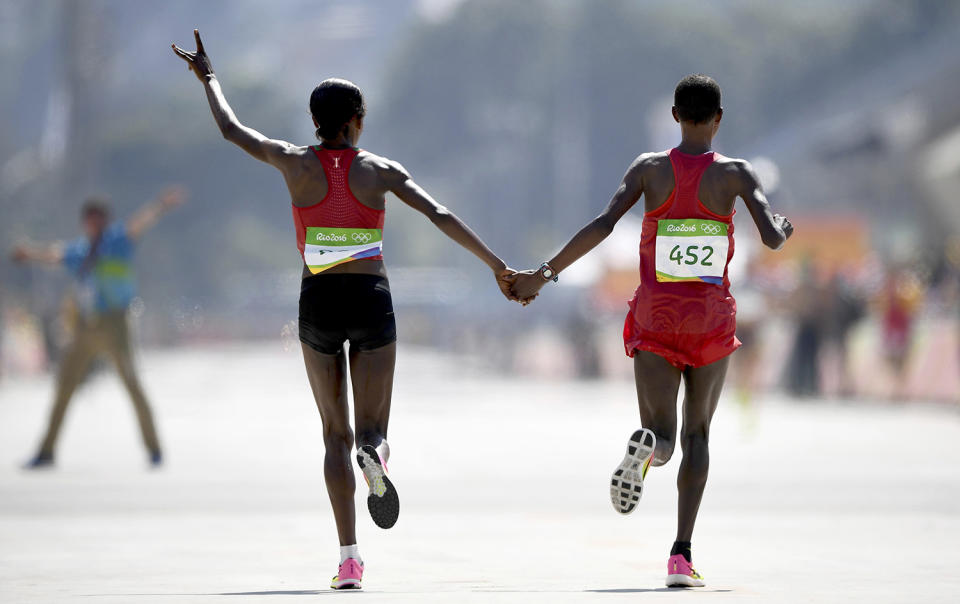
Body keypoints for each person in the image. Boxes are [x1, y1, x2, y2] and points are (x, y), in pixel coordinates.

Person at [172, 30, 517, 590]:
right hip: (371, 300)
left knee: (332, 435)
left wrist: (209, 78)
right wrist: (498, 265)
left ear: (314, 120)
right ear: (357, 119)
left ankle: (349, 560)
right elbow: (440, 214)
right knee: (370, 428)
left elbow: (232, 131)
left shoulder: (292, 162)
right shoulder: (379, 171)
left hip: (318, 303)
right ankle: (375, 452)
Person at [510, 74, 793, 588]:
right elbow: (772, 239)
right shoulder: (735, 173)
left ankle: (650, 446)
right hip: (709, 318)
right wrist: (779, 221)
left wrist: (543, 274)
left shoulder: (649, 170)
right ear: (719, 119)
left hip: (657, 314)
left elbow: (602, 224)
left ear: (675, 116)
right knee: (699, 433)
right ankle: (681, 556)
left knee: (662, 434)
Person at [13, 188, 186, 469]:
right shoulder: (80, 251)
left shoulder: (117, 241)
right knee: (64, 387)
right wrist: (28, 253)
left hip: (116, 324)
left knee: (132, 384)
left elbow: (138, 223)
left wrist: (160, 205)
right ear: (85, 222)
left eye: (98, 219)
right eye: (90, 220)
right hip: (86, 326)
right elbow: (54, 255)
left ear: (104, 220)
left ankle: (154, 449)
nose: (94, 224)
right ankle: (46, 451)